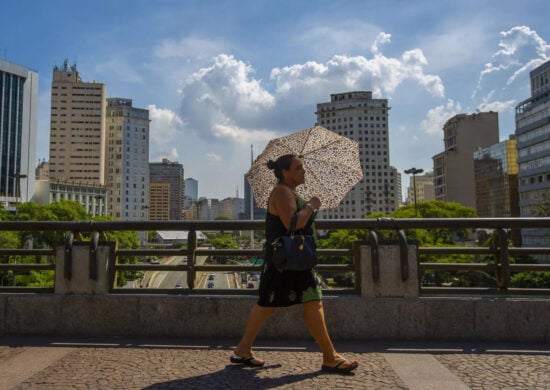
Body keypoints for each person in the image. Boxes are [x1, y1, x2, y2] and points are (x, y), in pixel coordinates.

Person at [230, 154, 358, 373]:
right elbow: (292, 223)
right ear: (284, 172)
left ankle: (243, 350)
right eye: (298, 168)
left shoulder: (289, 192)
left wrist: (307, 205)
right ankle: (330, 357)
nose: (303, 171)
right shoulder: (281, 191)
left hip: (290, 259)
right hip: (286, 260)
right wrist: (311, 205)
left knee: (287, 303)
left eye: (303, 167)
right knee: (274, 304)